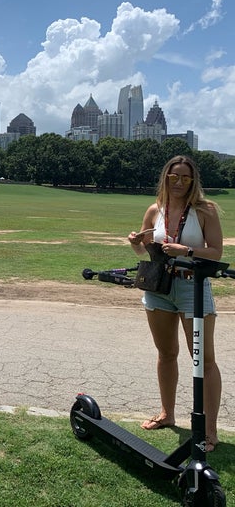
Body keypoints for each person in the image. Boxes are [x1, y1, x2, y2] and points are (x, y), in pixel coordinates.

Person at [128, 155, 222, 452]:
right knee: (166, 353)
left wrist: (188, 250)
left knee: (204, 361)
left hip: (192, 287)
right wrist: (136, 243)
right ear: (165, 177)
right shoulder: (155, 209)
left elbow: (216, 252)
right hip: (158, 288)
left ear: (193, 181)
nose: (179, 182)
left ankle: (209, 430)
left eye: (185, 177)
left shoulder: (205, 210)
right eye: (174, 176)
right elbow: (145, 251)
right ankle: (168, 414)